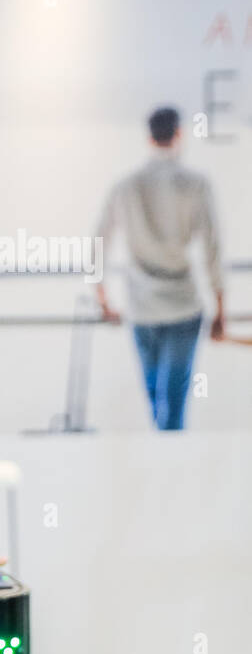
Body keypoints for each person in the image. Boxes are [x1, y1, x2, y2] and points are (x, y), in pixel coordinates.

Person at [95, 106, 225, 430]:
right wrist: (220, 307)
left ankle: (164, 471)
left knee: (156, 399)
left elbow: (97, 243)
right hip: (182, 306)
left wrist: (103, 299)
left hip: (141, 307)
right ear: (179, 134)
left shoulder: (126, 186)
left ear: (148, 136)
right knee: (173, 403)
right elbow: (212, 247)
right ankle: (171, 473)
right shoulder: (195, 184)